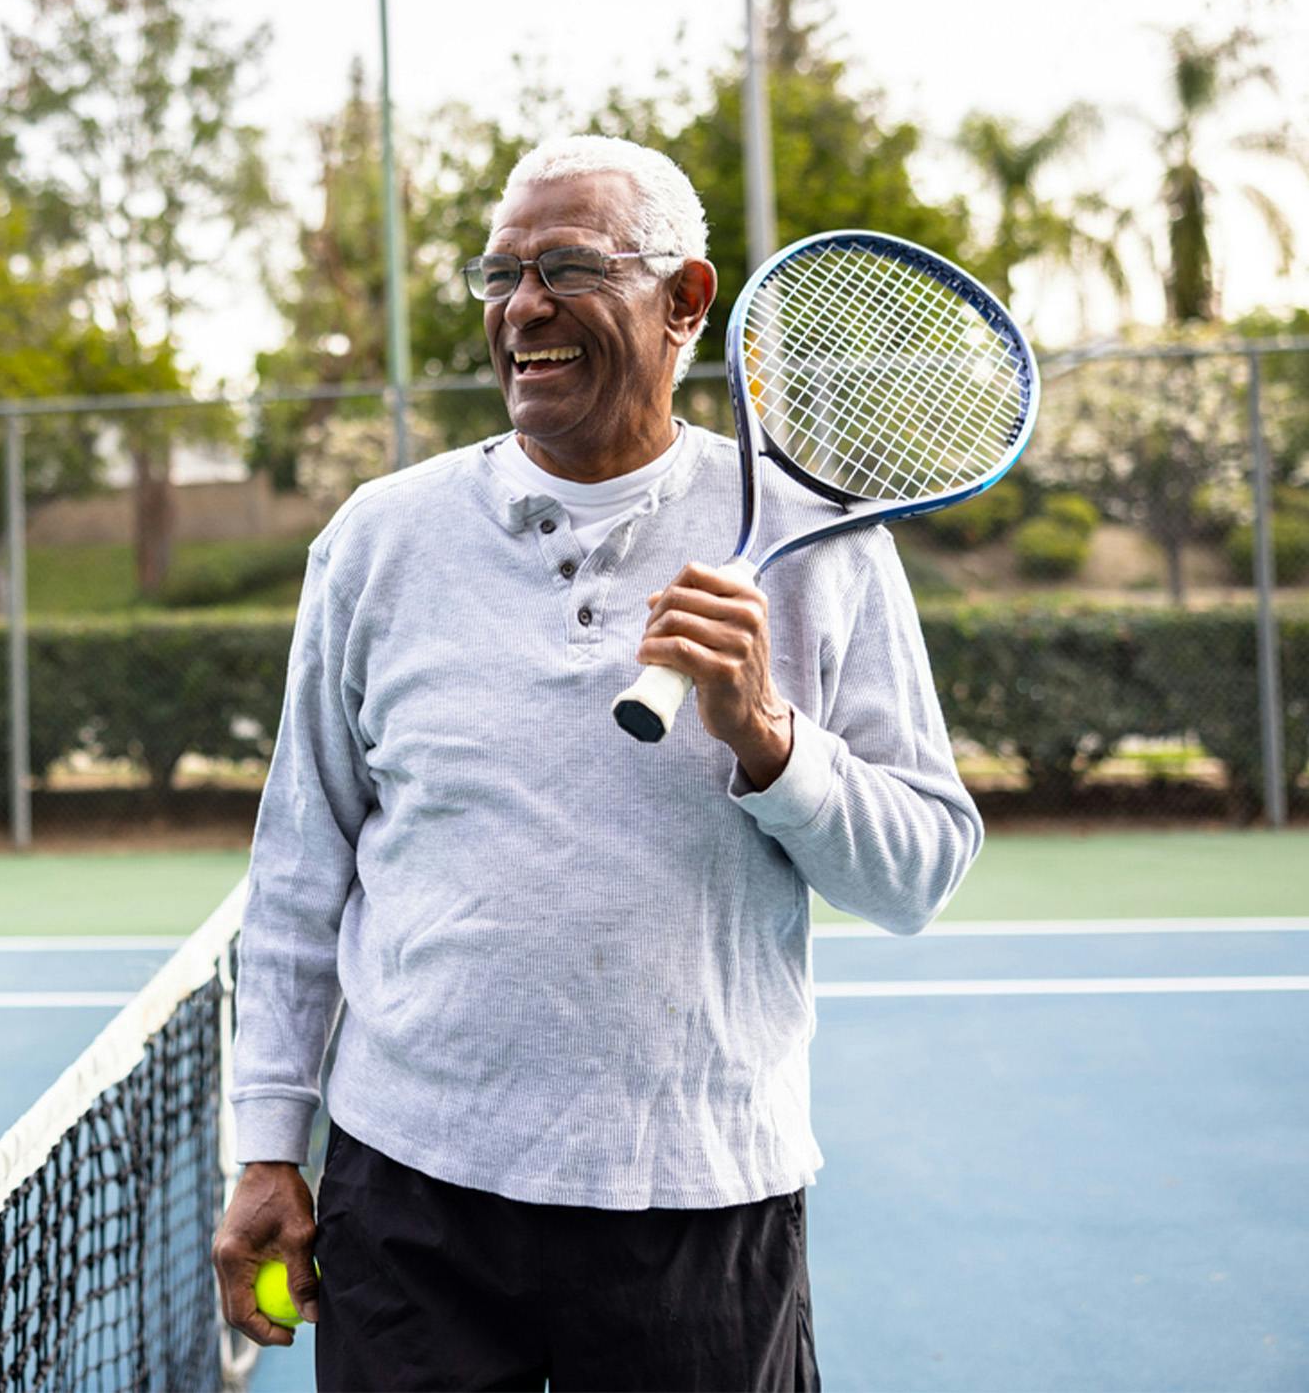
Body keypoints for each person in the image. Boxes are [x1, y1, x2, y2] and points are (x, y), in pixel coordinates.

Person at [213, 135, 984, 1392]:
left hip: (700, 1197)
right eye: (501, 273)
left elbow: (921, 873)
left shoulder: (822, 543)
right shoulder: (378, 540)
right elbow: (302, 867)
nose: (524, 308)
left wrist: (768, 741)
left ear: (686, 300)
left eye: (568, 267)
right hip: (411, 1198)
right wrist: (266, 1145)